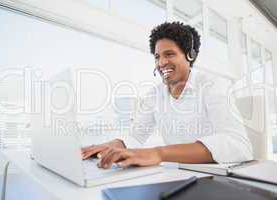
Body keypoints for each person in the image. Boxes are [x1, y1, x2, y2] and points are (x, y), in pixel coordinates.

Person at [81, 22, 253, 169]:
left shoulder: (212, 86)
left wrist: (158, 153)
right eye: (157, 57)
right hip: (177, 174)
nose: (161, 63)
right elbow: (135, 135)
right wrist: (111, 146)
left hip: (217, 176)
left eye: (169, 54)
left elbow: (239, 146)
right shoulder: (155, 95)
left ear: (190, 56)